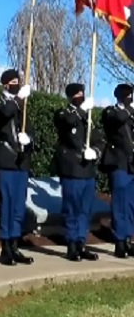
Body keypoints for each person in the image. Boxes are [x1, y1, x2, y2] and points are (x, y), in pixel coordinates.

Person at [0, 69, 35, 266]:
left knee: (19, 206)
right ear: (5, 84)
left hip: (21, 160)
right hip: (5, 158)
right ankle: (5, 248)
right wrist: (17, 101)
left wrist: (29, 139)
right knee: (8, 203)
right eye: (13, 81)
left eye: (18, 81)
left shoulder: (23, 104)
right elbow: (4, 114)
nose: (17, 84)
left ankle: (15, 245)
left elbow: (28, 127)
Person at [51, 83, 102, 261]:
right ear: (71, 96)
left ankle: (81, 243)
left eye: (83, 93)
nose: (81, 96)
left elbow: (98, 138)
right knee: (72, 208)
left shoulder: (87, 118)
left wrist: (95, 151)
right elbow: (68, 122)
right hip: (72, 169)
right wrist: (81, 111)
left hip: (87, 170)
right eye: (78, 94)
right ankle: (71, 245)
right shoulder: (63, 114)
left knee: (85, 210)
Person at [100, 83, 134, 258]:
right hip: (118, 162)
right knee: (120, 203)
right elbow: (118, 118)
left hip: (132, 164)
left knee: (130, 204)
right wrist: (129, 109)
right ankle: (119, 242)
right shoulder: (111, 112)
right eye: (127, 95)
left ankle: (128, 239)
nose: (130, 97)